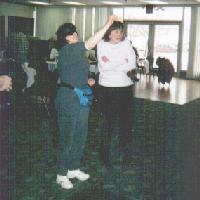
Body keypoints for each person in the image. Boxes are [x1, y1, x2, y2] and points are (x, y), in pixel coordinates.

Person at [55, 15, 119, 190]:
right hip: (68, 98)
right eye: (73, 33)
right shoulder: (68, 50)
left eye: (75, 32)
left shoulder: (75, 52)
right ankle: (61, 174)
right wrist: (108, 24)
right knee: (67, 137)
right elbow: (91, 42)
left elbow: (75, 72)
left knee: (80, 135)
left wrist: (87, 81)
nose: (76, 34)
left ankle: (73, 168)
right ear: (67, 37)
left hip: (81, 94)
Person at [97, 21, 136, 168]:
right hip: (108, 88)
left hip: (125, 87)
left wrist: (114, 63)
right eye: (116, 32)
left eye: (121, 32)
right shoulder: (101, 44)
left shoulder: (126, 43)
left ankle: (124, 150)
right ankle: (104, 153)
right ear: (109, 32)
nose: (119, 35)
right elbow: (104, 67)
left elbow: (132, 64)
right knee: (108, 123)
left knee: (126, 122)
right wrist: (122, 61)